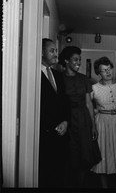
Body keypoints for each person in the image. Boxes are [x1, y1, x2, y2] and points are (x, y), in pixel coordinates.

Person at [58, 46, 100, 188]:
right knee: (69, 156)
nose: (78, 63)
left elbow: (89, 104)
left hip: (84, 120)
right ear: (66, 61)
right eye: (75, 60)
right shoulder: (59, 78)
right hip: (67, 120)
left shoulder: (84, 79)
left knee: (84, 156)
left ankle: (81, 186)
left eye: (79, 60)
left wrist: (93, 126)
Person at [91, 57, 116, 188]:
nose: (107, 72)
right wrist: (95, 113)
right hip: (103, 123)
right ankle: (104, 187)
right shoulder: (94, 88)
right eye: (103, 70)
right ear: (98, 73)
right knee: (103, 153)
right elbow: (88, 107)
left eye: (109, 68)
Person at [39, 38, 71, 188]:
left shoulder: (57, 75)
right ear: (41, 51)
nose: (55, 54)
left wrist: (65, 122)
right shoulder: (32, 75)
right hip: (45, 135)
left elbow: (65, 103)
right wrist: (53, 126)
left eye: (56, 51)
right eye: (52, 51)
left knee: (59, 174)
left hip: (61, 133)